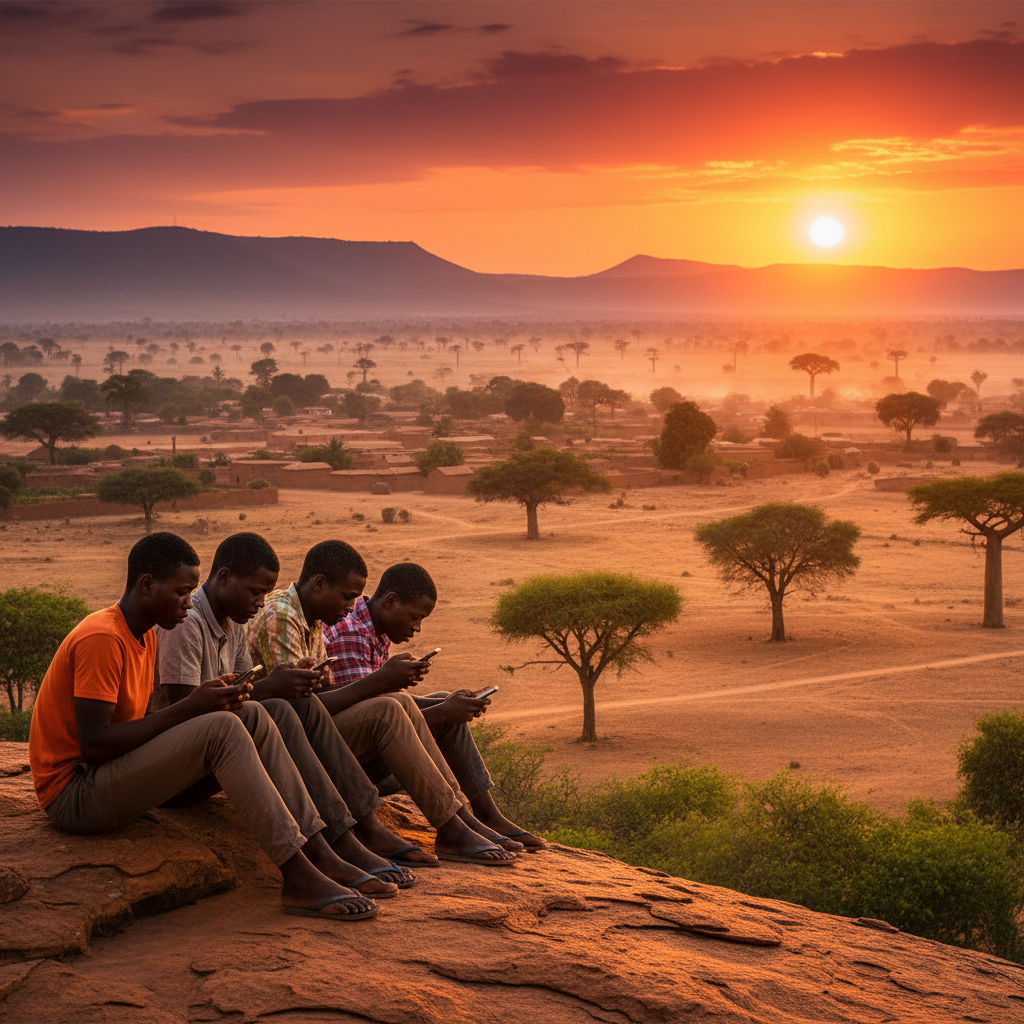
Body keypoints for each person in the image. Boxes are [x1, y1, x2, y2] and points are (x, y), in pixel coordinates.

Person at [28, 532, 381, 921]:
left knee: (256, 713)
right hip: (75, 794)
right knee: (223, 728)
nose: (188, 602)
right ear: (146, 585)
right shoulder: (103, 637)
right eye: (181, 592)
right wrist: (192, 706)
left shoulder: (142, 635)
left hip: (111, 773)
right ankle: (298, 876)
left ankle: (319, 850)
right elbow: (94, 746)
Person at [154, 531, 414, 893]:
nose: (260, 603)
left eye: (264, 594)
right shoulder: (188, 623)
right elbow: (187, 711)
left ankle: (346, 835)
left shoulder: (232, 622)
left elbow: (243, 689)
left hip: (216, 746)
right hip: (181, 764)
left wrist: (282, 684)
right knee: (280, 706)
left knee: (290, 703)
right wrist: (272, 686)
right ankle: (323, 851)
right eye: (254, 592)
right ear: (224, 578)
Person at [248, 540, 516, 866]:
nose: (351, 606)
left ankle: (466, 818)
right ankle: (450, 826)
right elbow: (302, 708)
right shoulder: (285, 617)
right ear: (318, 584)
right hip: (291, 740)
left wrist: (408, 692)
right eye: (347, 597)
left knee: (408, 703)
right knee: (389, 709)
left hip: (314, 727)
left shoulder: (312, 617)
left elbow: (323, 692)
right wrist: (384, 683)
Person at [324, 562, 545, 851]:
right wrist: (442, 712)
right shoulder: (351, 634)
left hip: (364, 744)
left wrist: (448, 704)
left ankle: (484, 816)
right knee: (439, 710)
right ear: (390, 601)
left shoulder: (373, 631)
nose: (417, 628)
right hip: (343, 765)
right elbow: (373, 718)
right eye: (415, 617)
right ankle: (458, 824)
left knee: (443, 699)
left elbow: (379, 705)